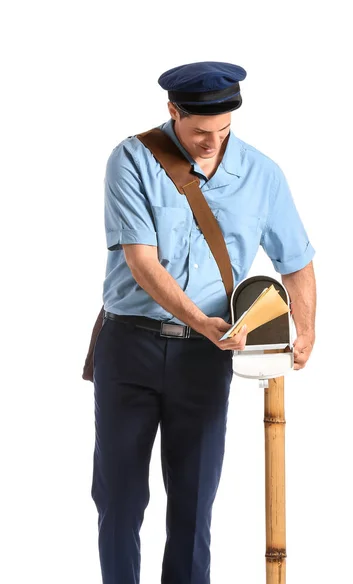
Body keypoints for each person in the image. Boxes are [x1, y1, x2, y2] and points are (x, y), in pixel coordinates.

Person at [91, 61, 316, 584]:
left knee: (194, 505)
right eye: (199, 132)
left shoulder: (262, 173)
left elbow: (297, 258)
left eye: (223, 131)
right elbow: (142, 261)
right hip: (130, 346)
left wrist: (306, 330)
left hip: (205, 358)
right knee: (119, 500)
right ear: (173, 112)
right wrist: (201, 319)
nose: (212, 142)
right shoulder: (132, 160)